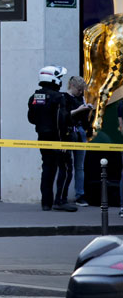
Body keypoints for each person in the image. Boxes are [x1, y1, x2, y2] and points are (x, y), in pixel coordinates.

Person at [27, 65, 77, 212]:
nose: (61, 81)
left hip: (42, 137)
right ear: (53, 79)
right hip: (58, 138)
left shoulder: (35, 97)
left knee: (47, 169)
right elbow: (61, 120)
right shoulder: (58, 97)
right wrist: (63, 141)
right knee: (66, 168)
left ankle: (46, 203)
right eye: (60, 78)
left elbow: (31, 119)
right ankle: (60, 201)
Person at [65, 76, 93, 206]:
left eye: (82, 90)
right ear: (72, 86)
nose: (81, 92)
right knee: (66, 166)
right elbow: (64, 115)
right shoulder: (64, 98)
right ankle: (63, 194)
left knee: (79, 166)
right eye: (79, 89)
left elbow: (83, 118)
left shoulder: (80, 98)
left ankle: (79, 195)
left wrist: (87, 110)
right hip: (69, 132)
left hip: (80, 130)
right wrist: (79, 109)